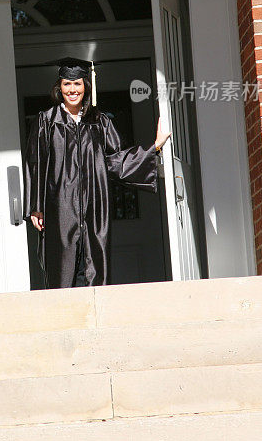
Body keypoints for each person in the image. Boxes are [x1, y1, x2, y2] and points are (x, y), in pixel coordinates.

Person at [23, 57, 170, 289]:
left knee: (95, 266)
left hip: (94, 204)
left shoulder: (100, 122)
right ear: (59, 88)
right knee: (62, 267)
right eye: (67, 84)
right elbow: (35, 163)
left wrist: (155, 147)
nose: (72, 90)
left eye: (78, 84)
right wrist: (36, 206)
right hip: (59, 207)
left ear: (85, 86)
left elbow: (117, 160)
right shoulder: (46, 121)